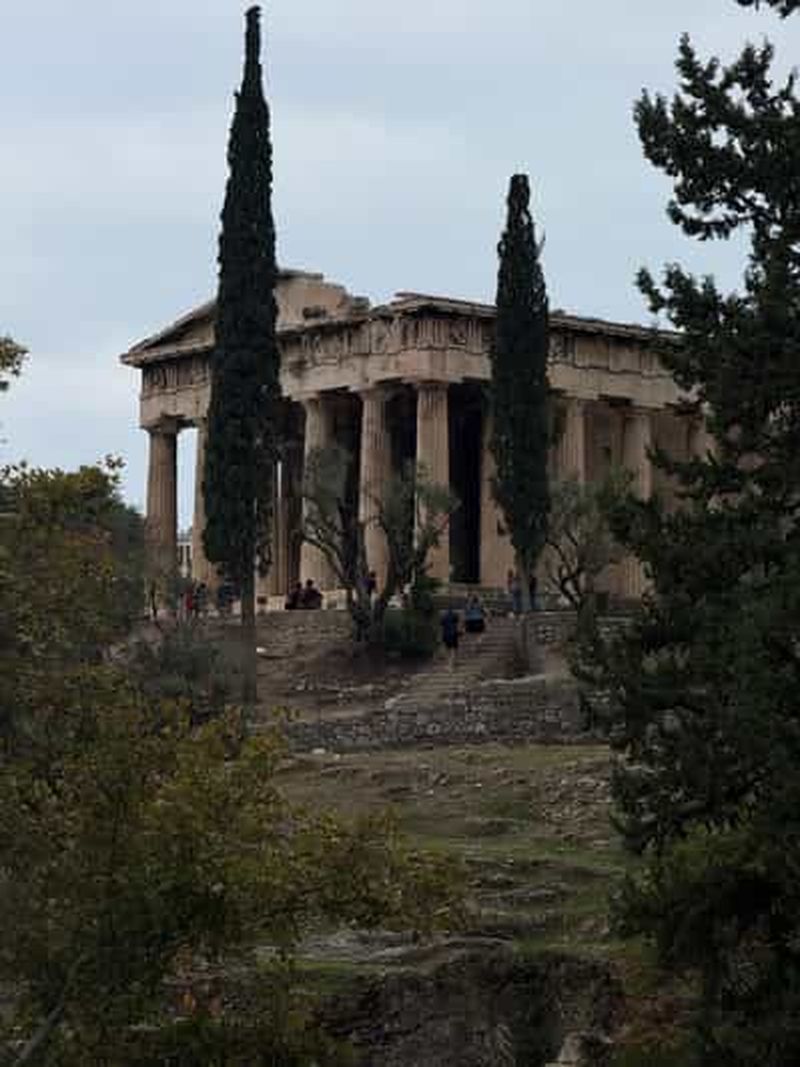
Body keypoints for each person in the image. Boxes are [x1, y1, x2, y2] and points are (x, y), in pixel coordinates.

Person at [440, 606, 460, 671]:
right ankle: (451, 665)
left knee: (447, 649)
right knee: (454, 650)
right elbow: (457, 624)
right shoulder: (455, 616)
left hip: (446, 634)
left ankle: (449, 664)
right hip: (453, 634)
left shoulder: (444, 617)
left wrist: (440, 636)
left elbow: (441, 627)